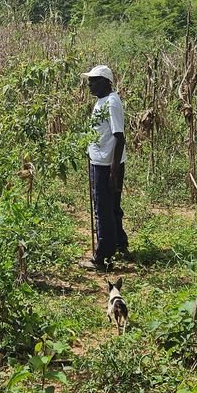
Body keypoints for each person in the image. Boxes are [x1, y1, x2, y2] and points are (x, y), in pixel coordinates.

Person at [79, 64, 128, 271]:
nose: (89, 84)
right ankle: (119, 243)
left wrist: (113, 172)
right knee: (112, 208)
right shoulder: (102, 102)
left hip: (106, 166)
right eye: (89, 80)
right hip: (100, 161)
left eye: (93, 81)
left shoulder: (111, 103)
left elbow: (119, 137)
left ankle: (102, 256)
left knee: (103, 210)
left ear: (106, 82)